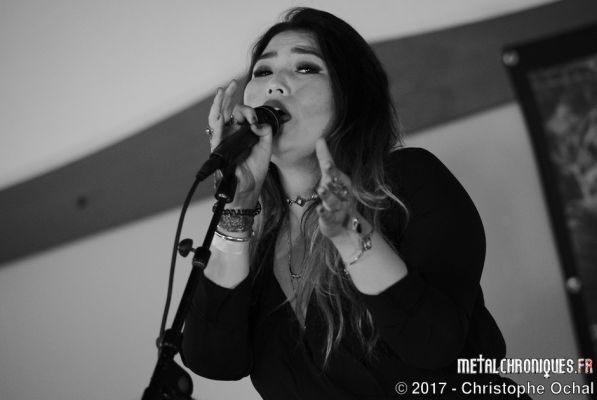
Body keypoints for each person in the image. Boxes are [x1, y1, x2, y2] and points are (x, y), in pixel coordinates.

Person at [182, 7, 529, 399]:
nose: (275, 84)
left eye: (305, 67)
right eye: (262, 72)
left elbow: (434, 343)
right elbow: (212, 361)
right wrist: (237, 207)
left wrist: (350, 236)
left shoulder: (407, 183)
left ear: (350, 95)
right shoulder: (255, 253)